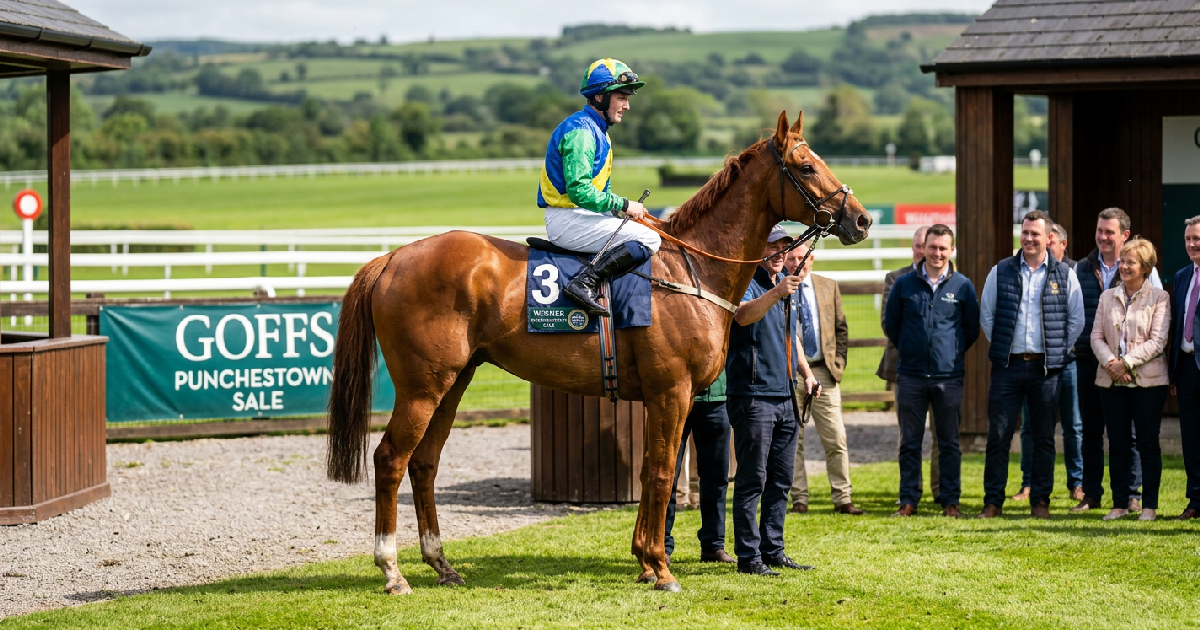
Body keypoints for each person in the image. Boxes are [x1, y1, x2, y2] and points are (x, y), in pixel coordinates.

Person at [726, 224, 819, 576]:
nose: (780, 252)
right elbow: (742, 316)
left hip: (785, 395)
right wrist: (777, 292)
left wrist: (807, 374)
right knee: (753, 479)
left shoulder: (785, 285)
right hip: (753, 396)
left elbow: (790, 335)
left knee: (781, 480)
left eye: (784, 246)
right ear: (759, 248)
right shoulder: (745, 280)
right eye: (774, 246)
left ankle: (773, 550)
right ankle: (749, 557)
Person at [978, 211, 1084, 519]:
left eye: (1035, 233)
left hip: (1045, 369)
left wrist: (1056, 351)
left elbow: (1076, 319)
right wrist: (1005, 347)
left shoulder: (1065, 274)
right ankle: (993, 502)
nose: (1028, 238)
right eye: (1024, 232)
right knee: (998, 436)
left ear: (1049, 237)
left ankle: (1040, 501)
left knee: (1044, 439)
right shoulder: (1001, 271)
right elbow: (988, 314)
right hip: (1007, 367)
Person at [539, 58, 659, 317]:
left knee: (647, 229)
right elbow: (579, 190)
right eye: (621, 98)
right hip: (568, 220)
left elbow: (600, 191)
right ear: (599, 97)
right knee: (650, 239)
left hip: (581, 216)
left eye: (627, 99)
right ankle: (584, 282)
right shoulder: (581, 132)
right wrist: (624, 204)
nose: (627, 106)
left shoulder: (598, 131)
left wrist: (621, 211)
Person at [884, 224, 979, 518]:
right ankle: (908, 500)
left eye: (943, 248)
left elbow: (971, 329)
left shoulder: (963, 286)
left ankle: (950, 501)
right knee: (910, 443)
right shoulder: (904, 284)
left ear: (952, 250)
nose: (937, 253)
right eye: (932, 247)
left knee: (949, 443)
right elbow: (891, 324)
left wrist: (948, 352)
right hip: (910, 376)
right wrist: (912, 349)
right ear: (923, 248)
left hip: (948, 378)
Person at [1071, 208, 1160, 513]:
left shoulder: (1149, 276)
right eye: (1100, 231)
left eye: (1109, 232)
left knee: (1130, 436)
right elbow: (1076, 316)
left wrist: (1126, 364)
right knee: (1091, 431)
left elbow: (1154, 321)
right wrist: (1109, 361)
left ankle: (1132, 496)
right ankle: (1092, 494)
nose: (1103, 237)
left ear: (1124, 235)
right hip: (1092, 363)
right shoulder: (1081, 268)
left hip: (1135, 369)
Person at [1090, 238, 1170, 521]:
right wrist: (1112, 365)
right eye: (1122, 262)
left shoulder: (1160, 297)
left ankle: (1149, 507)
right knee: (1118, 444)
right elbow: (1096, 337)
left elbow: (1158, 341)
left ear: (1145, 267)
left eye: (1130, 262)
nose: (1123, 266)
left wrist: (1125, 363)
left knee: (1147, 444)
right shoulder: (1106, 297)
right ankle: (1119, 504)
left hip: (1149, 382)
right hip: (1111, 381)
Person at [785, 244, 865, 515]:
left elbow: (841, 328)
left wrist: (837, 365)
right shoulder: (779, 288)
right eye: (792, 257)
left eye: (802, 257)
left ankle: (843, 497)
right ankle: (799, 498)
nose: (798, 263)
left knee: (836, 438)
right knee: (793, 440)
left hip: (823, 372)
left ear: (812, 258)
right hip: (790, 373)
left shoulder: (828, 286)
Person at [1012, 222, 1084, 503]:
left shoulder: (1074, 272)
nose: (1042, 246)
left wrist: (1058, 350)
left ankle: (1076, 483)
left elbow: (1077, 318)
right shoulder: (1027, 271)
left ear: (1061, 244)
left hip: (1067, 361)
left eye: (1049, 242)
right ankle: (1028, 483)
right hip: (1036, 364)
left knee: (1072, 425)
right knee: (1030, 426)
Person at [878, 225, 941, 503]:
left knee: (941, 435)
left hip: (941, 371)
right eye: (918, 246)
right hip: (906, 369)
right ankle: (910, 492)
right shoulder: (896, 279)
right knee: (909, 435)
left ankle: (941, 490)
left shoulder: (951, 279)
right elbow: (889, 322)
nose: (922, 251)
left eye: (926, 246)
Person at [663, 371, 736, 564]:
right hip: (676, 396)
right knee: (668, 477)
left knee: (717, 477)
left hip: (717, 398)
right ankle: (661, 546)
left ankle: (713, 546)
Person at [1169, 215, 1200, 520]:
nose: (1192, 244)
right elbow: (1177, 324)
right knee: (1191, 437)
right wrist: (1174, 372)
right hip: (1187, 367)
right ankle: (1195, 502)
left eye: (1197, 239)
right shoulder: (1181, 277)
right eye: (1188, 239)